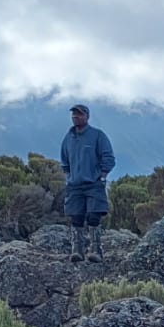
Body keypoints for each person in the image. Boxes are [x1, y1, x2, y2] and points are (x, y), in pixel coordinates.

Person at [59, 104, 116, 262]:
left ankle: (96, 250)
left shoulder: (97, 135)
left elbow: (109, 157)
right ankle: (77, 251)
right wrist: (69, 177)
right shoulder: (68, 137)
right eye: (74, 114)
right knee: (76, 217)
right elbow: (64, 160)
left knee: (93, 216)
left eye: (79, 114)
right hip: (75, 185)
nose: (75, 116)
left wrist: (103, 175)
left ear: (87, 117)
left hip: (94, 184)